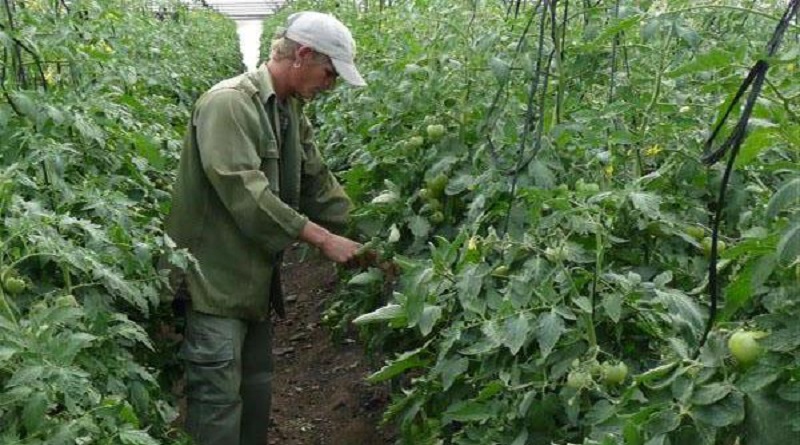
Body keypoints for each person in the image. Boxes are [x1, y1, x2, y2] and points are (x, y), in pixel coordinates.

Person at [163, 11, 367, 445]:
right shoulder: (229, 104)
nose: (330, 85)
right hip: (212, 283)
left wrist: (374, 238)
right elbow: (246, 195)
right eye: (329, 73)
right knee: (217, 406)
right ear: (304, 55)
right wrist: (323, 239)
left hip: (253, 283)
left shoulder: (289, 111)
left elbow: (317, 184)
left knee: (255, 390)